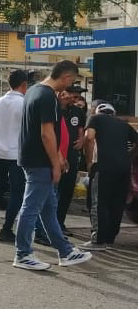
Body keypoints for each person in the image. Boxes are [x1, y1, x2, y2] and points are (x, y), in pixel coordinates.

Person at [12, 60, 92, 270]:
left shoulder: (32, 92)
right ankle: (23, 254)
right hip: (40, 162)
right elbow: (46, 133)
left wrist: (57, 157)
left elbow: (47, 132)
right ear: (66, 77)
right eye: (72, 81)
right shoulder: (48, 96)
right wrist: (56, 163)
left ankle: (65, 251)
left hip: (34, 158)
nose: (70, 86)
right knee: (30, 208)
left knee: (49, 209)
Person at [82, 102, 138, 249]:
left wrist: (89, 162)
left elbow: (89, 138)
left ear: (98, 111)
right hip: (124, 168)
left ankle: (98, 240)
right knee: (117, 203)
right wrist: (127, 155)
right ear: (113, 113)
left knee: (99, 202)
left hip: (104, 166)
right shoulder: (123, 124)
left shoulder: (95, 118)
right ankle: (110, 238)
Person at [0, 69, 28, 240]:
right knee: (17, 192)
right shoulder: (24, 104)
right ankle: (7, 228)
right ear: (24, 85)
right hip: (16, 154)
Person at [55, 84, 87, 232]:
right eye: (73, 97)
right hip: (56, 155)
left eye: (77, 97)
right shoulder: (55, 110)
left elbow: (81, 130)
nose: (74, 100)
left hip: (72, 156)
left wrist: (81, 140)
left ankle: (60, 222)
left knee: (67, 191)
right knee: (54, 191)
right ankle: (50, 224)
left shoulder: (78, 111)